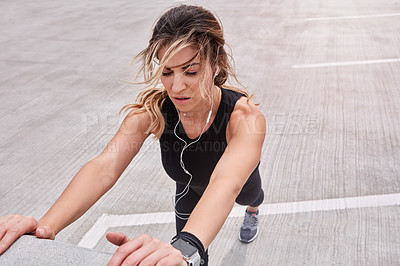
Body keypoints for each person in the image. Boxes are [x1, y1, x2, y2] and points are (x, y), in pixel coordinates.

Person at [0, 4, 265, 265]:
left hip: (237, 186)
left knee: (250, 197)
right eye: (167, 71)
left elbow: (226, 182)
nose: (177, 86)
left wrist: (189, 245)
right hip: (188, 186)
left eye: (191, 71)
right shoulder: (153, 112)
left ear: (216, 64)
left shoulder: (245, 118)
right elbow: (105, 167)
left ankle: (253, 210)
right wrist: (43, 228)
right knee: (183, 252)